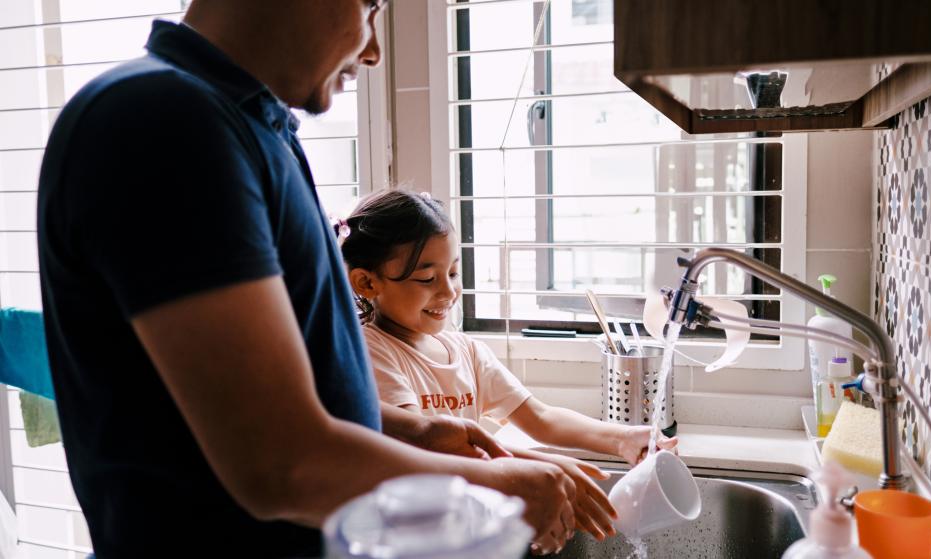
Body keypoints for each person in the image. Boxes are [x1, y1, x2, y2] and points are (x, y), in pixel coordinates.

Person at [36, 1, 578, 557]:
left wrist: (411, 432)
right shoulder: (164, 121)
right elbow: (278, 462)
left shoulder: (244, 126)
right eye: (370, 7)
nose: (372, 50)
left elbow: (260, 401)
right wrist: (489, 491)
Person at [338, 190, 680, 540]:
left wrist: (622, 439)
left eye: (453, 273)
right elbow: (429, 443)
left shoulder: (466, 350)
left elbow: (541, 418)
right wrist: (537, 466)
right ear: (367, 282)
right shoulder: (371, 351)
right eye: (427, 279)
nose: (448, 292)